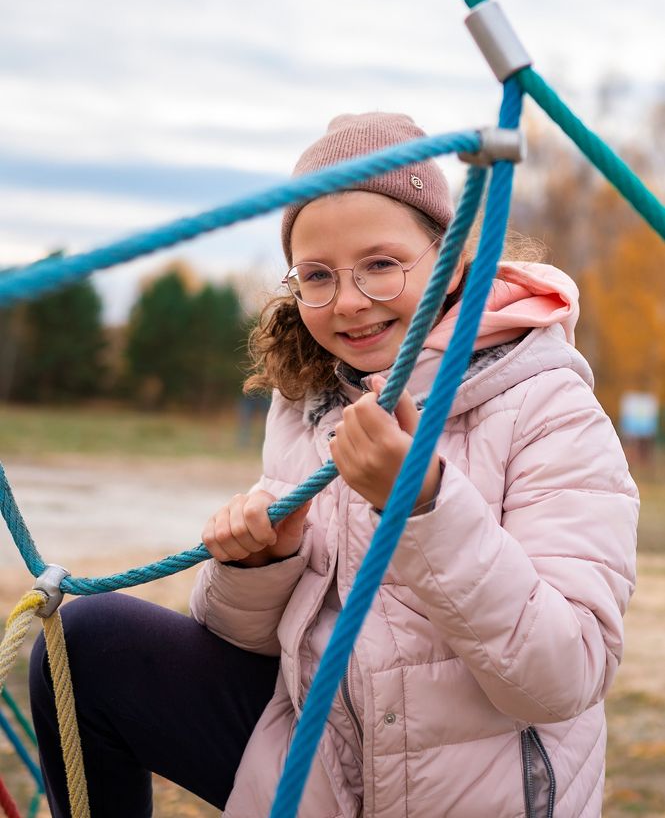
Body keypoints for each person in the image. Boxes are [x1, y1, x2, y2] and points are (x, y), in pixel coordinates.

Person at [30, 112, 639, 818]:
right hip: (320, 766)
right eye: (317, 275)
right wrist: (259, 566)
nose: (349, 301)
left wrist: (422, 506)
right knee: (88, 647)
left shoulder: (547, 404)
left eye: (381, 264)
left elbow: (560, 679)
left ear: (451, 263)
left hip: (475, 791)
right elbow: (249, 642)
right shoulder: (309, 402)